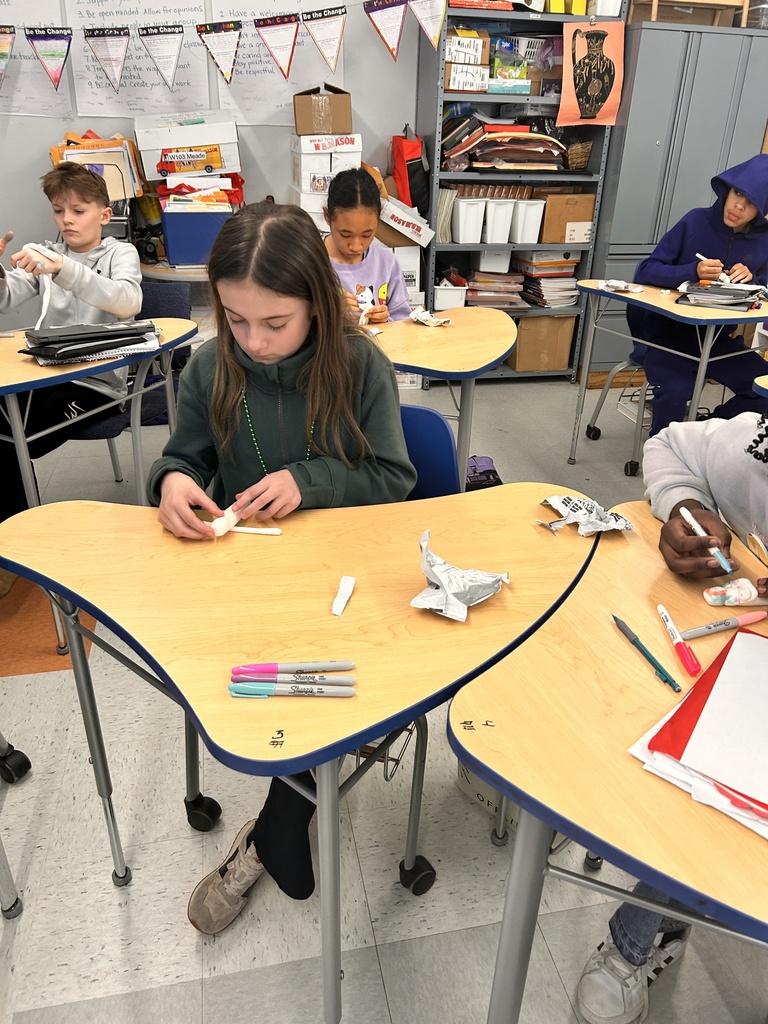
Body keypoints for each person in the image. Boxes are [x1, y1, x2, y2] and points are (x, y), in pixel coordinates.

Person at [145, 201, 416, 933]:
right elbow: (185, 457)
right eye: (236, 319)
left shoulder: (361, 364)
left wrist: (314, 480)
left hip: (349, 583)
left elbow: (395, 478)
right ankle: (286, 811)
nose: (254, 342)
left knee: (339, 681)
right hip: (253, 583)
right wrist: (171, 480)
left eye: (275, 323)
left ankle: (275, 826)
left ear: (318, 307)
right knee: (260, 686)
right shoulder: (210, 367)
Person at [576, 409, 768, 1024]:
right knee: (701, 781)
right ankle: (644, 934)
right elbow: (672, 447)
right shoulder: (755, 454)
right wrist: (686, 508)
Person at [0, 162, 142, 525]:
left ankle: (20, 538)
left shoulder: (119, 253)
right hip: (47, 375)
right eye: (59, 210)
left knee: (15, 441)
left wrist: (62, 267)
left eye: (78, 211)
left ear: (105, 215)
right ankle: (14, 535)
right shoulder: (48, 255)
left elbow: (128, 301)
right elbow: (5, 298)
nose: (67, 219)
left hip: (99, 384)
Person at [629, 153, 768, 437]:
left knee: (764, 390)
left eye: (751, 202)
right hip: (669, 338)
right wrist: (692, 270)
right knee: (675, 394)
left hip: (718, 342)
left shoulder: (764, 241)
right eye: (738, 193)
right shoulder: (695, 221)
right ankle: (665, 457)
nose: (739, 206)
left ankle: (707, 436)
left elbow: (765, 287)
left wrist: (753, 280)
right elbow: (647, 270)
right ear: (727, 189)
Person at [323, 167, 412, 324]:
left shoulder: (386, 263)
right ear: (327, 217)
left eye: (366, 235)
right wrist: (332, 312)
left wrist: (386, 319)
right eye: (345, 235)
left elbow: (403, 322)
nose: (356, 246)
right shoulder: (313, 262)